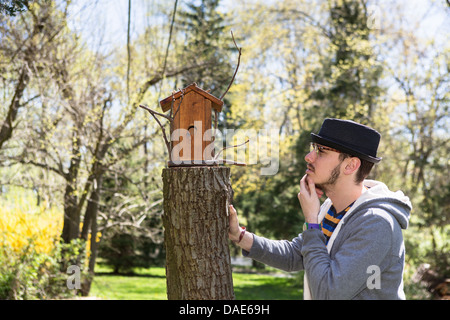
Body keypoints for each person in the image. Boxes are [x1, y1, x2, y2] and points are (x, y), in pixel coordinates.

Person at [228, 118, 412, 300]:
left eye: (322, 151)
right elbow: (296, 255)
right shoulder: (332, 208)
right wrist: (239, 236)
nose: (309, 157)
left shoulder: (376, 223)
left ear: (350, 165)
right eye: (313, 149)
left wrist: (312, 222)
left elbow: (328, 293)